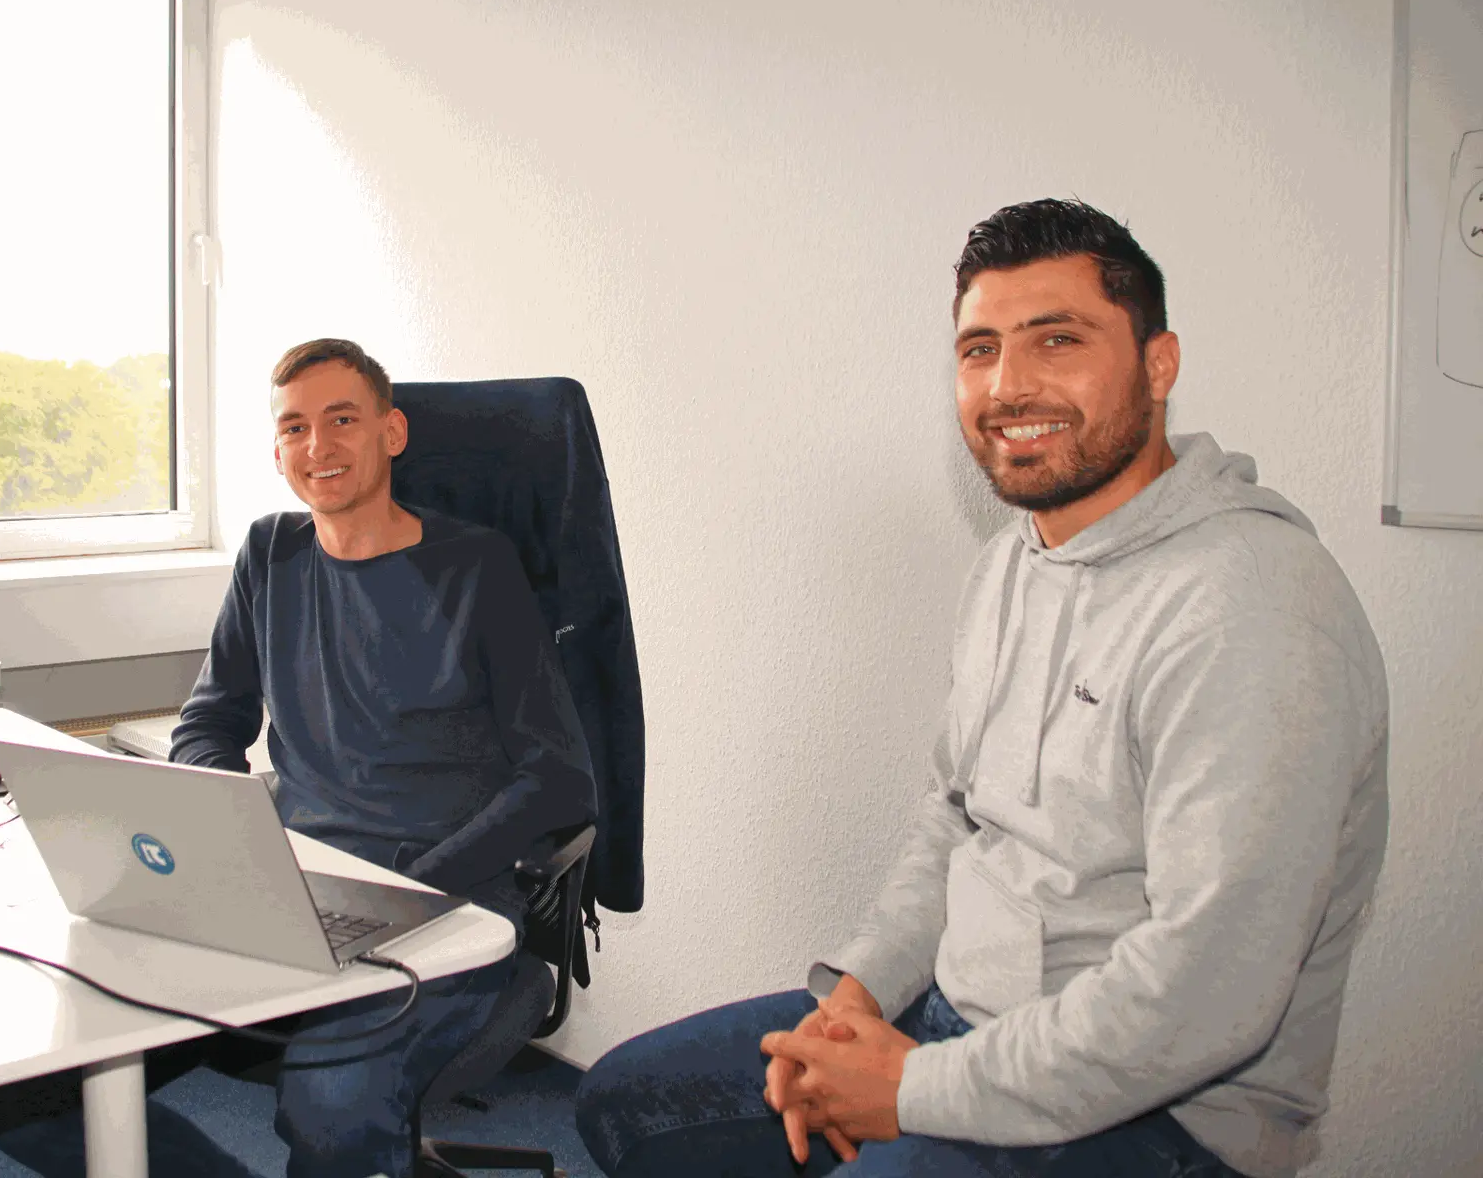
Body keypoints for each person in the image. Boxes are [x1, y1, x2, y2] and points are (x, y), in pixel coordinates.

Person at [573, 199, 1389, 1178]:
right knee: (623, 1104)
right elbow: (954, 818)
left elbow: (1208, 990)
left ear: (1159, 364)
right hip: (959, 1016)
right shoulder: (1011, 561)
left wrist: (909, 1089)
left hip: (1166, 1110)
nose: (1009, 384)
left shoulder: (1253, 605)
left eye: (1058, 339)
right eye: (980, 349)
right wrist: (858, 999)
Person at [167, 338, 598, 1178]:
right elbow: (207, 722)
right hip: (295, 892)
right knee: (40, 1087)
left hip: (446, 903)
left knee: (331, 1104)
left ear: (391, 433)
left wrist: (410, 892)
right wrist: (238, 834)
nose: (317, 446)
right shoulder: (269, 555)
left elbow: (559, 776)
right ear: (277, 450)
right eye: (294, 427)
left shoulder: (477, 567)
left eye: (342, 420)